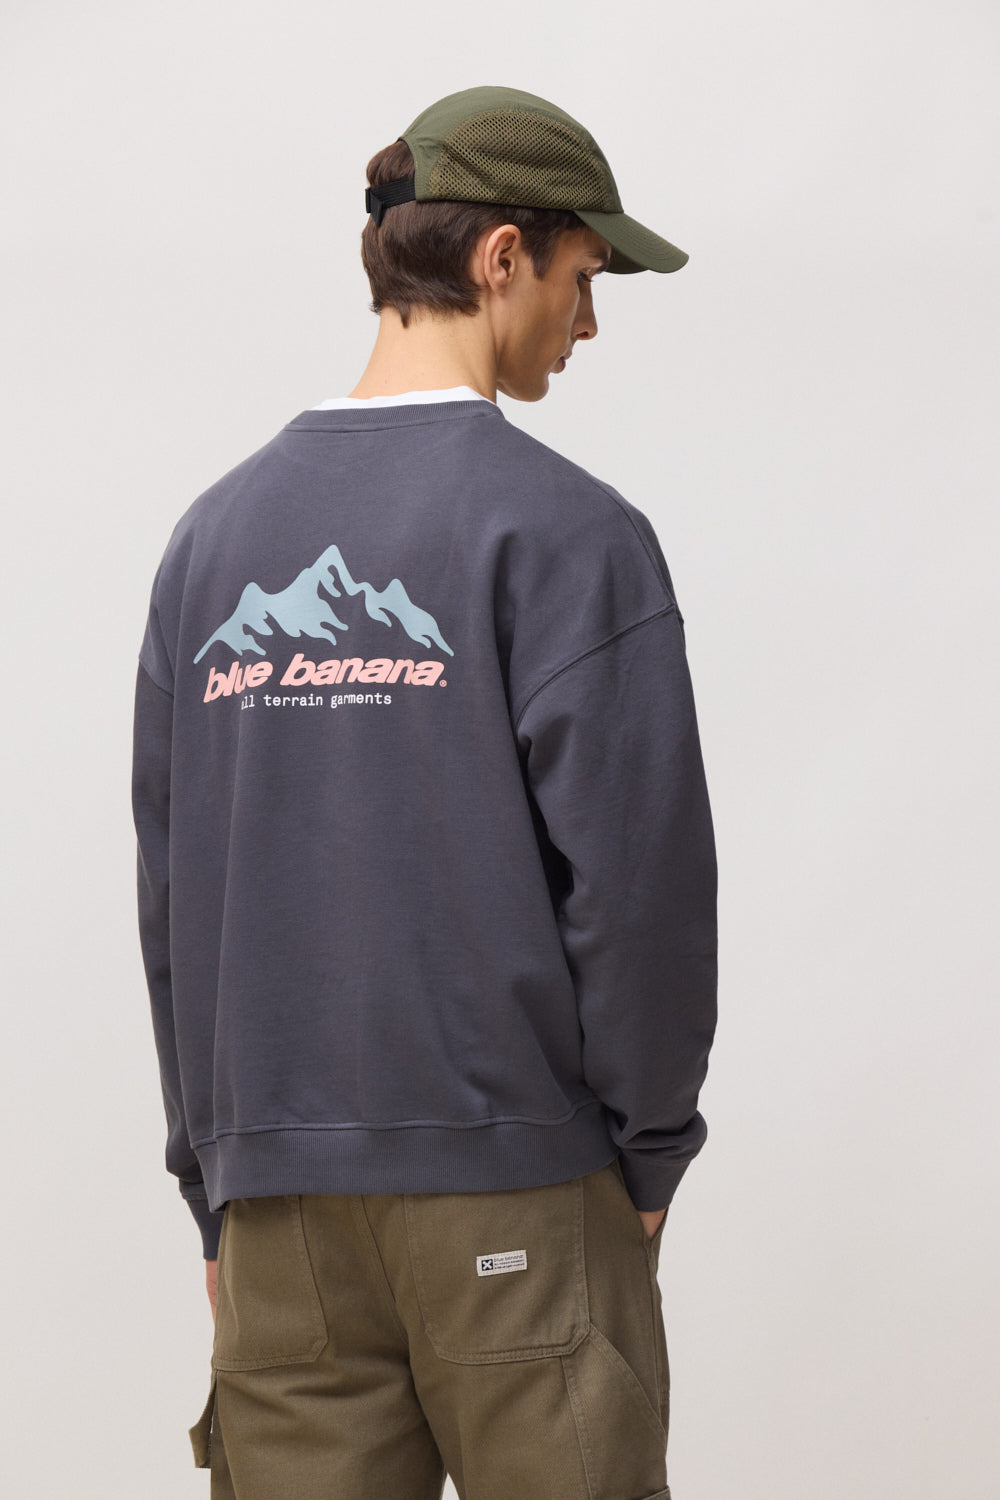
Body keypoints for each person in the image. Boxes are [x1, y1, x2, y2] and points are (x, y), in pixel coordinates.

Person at [131, 84, 718, 1500]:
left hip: (277, 1211)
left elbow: (173, 893)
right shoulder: (569, 533)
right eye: (584, 278)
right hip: (519, 1187)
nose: (588, 324)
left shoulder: (211, 541)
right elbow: (639, 890)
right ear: (502, 257)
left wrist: (217, 1181)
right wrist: (647, 1156)